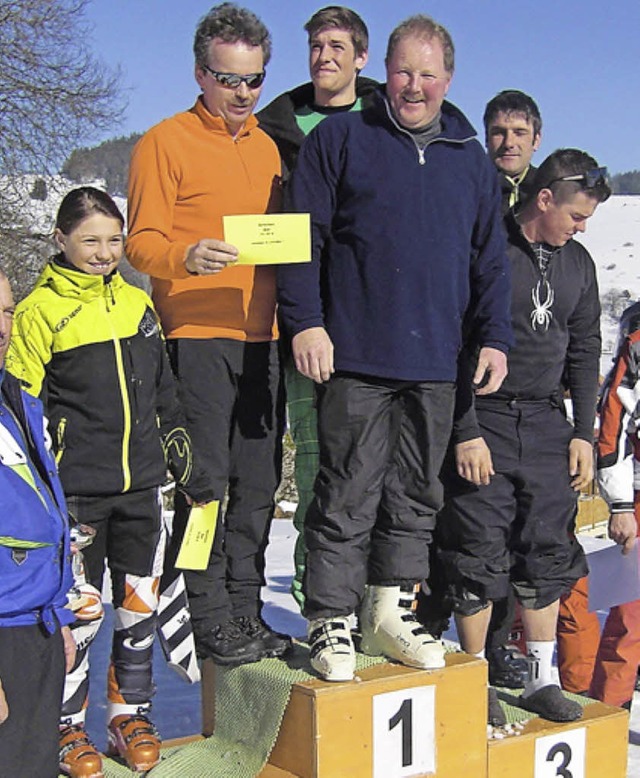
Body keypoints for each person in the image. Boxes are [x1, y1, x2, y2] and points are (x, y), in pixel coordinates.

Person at [277, 14, 512, 682]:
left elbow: (490, 262)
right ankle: (329, 619)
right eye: (405, 71)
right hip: (354, 356)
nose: (415, 86)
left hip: (438, 363)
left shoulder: (470, 160)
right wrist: (307, 322)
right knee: (347, 492)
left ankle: (387, 609)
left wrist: (494, 337)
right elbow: (302, 240)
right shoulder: (344, 140)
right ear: (386, 69)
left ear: (448, 79)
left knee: (415, 498)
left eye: (428, 74)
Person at [7, 187, 215, 776]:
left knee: (136, 605)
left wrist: (184, 465)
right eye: (90, 240)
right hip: (75, 496)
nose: (104, 253)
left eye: (114, 240)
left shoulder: (137, 302)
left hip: (141, 490)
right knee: (81, 614)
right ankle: (65, 727)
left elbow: (165, 398)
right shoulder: (39, 312)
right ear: (60, 239)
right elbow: (21, 411)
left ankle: (130, 715)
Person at [127, 3, 290, 668]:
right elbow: (139, 241)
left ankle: (246, 611)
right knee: (205, 487)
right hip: (196, 334)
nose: (243, 93)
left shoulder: (270, 147)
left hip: (266, 338)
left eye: (254, 80)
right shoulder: (162, 142)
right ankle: (205, 613)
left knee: (257, 486)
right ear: (200, 73)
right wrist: (184, 258)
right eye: (229, 79)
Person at [439, 150, 610, 724]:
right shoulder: (488, 250)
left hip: (545, 421)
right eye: (576, 215)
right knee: (478, 550)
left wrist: (581, 434)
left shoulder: (578, 264)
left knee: (548, 549)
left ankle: (540, 678)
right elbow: (456, 344)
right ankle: (472, 677)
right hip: (482, 416)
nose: (580, 228)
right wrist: (463, 431)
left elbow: (586, 351)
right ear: (544, 199)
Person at [257, 5, 377, 610]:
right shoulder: (275, 128)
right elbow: (265, 223)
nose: (324, 56)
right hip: (307, 323)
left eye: (337, 46)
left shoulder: (390, 121)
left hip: (379, 323)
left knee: (380, 472)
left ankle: (379, 606)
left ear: (361, 56)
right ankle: (318, 606)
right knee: (315, 471)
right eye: (315, 46)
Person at [0, 268, 76, 778]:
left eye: (5, 310)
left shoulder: (16, 401)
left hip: (36, 629)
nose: (1, 326)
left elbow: (47, 515)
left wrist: (58, 612)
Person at [591, 304, 640, 710]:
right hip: (638, 497)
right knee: (628, 617)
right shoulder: (637, 345)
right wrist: (620, 504)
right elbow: (613, 425)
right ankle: (608, 713)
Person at [484, 89, 542, 214]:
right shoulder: (467, 189)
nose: (508, 143)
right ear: (486, 139)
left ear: (536, 140)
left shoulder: (549, 193)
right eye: (499, 133)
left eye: (519, 133)